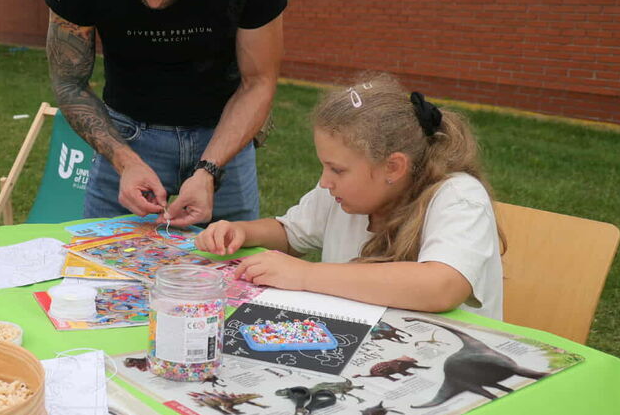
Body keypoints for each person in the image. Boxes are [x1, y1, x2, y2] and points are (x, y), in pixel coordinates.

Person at [45, 0, 285, 227]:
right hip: (125, 131)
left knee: (231, 257)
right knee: (103, 257)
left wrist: (208, 170)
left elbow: (259, 81)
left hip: (224, 131)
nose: (155, 2)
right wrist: (125, 162)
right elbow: (69, 83)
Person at [197, 74, 505, 318]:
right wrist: (242, 231)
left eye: (337, 169)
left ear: (393, 167)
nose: (325, 182)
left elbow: (441, 286)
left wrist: (306, 275)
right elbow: (290, 233)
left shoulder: (458, 197)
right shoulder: (341, 193)